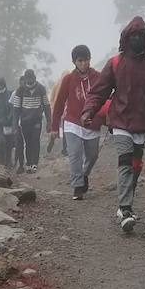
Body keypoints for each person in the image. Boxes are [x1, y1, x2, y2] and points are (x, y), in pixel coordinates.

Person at [81, 17, 145, 233]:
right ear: (125, 38)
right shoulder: (115, 63)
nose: (136, 39)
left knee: (136, 165)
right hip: (120, 121)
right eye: (132, 36)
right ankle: (125, 209)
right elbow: (99, 91)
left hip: (143, 122)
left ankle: (127, 203)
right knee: (125, 161)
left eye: (140, 36)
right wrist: (89, 111)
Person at [50, 44, 107, 200]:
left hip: (92, 123)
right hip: (72, 123)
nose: (83, 64)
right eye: (80, 61)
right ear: (74, 62)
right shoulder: (68, 79)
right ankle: (77, 186)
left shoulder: (99, 77)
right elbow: (59, 103)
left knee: (92, 155)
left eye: (86, 60)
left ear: (90, 60)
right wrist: (54, 127)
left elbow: (107, 98)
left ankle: (84, 174)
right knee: (74, 154)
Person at [9, 69, 50, 173]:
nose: (30, 82)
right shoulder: (20, 90)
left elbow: (46, 105)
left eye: (31, 80)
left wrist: (49, 122)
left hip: (36, 120)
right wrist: (14, 125)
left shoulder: (41, 88)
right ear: (25, 79)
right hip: (25, 121)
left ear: (35, 78)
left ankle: (34, 164)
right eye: (28, 80)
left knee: (35, 140)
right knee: (28, 142)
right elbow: (16, 109)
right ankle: (29, 163)